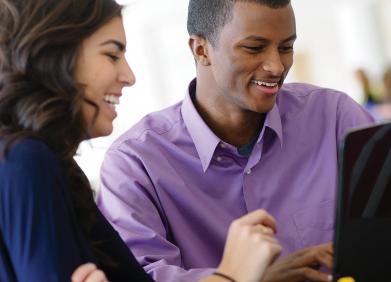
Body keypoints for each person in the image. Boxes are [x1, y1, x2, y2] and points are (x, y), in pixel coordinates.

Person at [0, 0, 281, 281]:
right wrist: (232, 275)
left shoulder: (52, 167)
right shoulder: (25, 162)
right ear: (53, 56)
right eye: (112, 55)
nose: (129, 77)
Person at [97, 0, 374, 281]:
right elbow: (139, 277)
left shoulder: (335, 118)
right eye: (254, 48)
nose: (276, 67)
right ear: (201, 49)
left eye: (286, 47)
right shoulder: (134, 164)